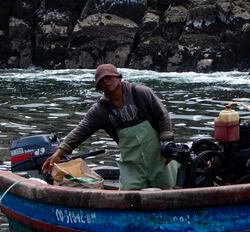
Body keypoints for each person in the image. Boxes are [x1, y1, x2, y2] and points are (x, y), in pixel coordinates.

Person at [42, 64, 178, 190]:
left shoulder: (141, 93)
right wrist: (58, 154)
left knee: (167, 188)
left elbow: (162, 115)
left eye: (108, 77)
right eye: (101, 81)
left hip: (159, 156)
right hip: (131, 163)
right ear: (99, 87)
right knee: (128, 194)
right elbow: (81, 131)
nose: (105, 82)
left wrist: (167, 145)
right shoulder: (100, 110)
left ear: (118, 77)